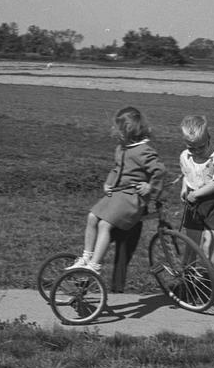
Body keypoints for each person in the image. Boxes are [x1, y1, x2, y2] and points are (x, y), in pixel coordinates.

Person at [67, 106, 166, 274]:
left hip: (132, 197)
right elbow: (116, 168)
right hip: (118, 193)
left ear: (128, 131)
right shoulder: (121, 148)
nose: (114, 131)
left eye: (118, 129)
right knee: (92, 217)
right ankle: (86, 256)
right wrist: (109, 182)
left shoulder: (144, 151)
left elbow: (159, 170)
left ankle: (95, 265)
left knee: (105, 224)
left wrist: (150, 188)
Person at [178, 115, 214, 267]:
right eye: (191, 147)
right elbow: (186, 175)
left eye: (201, 147)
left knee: (208, 247)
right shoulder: (185, 156)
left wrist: (196, 194)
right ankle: (189, 281)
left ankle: (209, 282)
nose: (197, 151)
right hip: (193, 206)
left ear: (208, 137)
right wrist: (184, 189)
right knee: (191, 246)